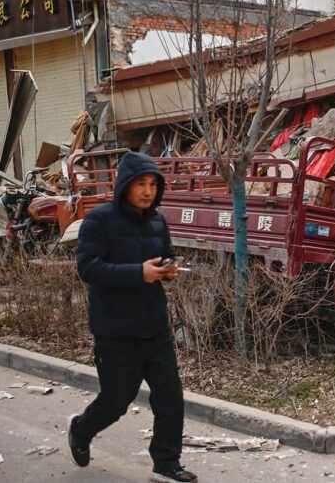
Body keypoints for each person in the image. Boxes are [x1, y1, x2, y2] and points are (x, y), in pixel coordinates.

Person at [68, 151, 197, 483]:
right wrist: (139, 273)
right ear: (124, 184)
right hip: (115, 330)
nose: (148, 191)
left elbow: (163, 256)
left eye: (153, 184)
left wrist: (168, 269)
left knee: (171, 398)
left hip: (154, 327)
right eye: (141, 183)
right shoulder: (99, 221)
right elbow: (88, 268)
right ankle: (81, 430)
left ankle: (166, 464)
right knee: (116, 401)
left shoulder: (158, 221)